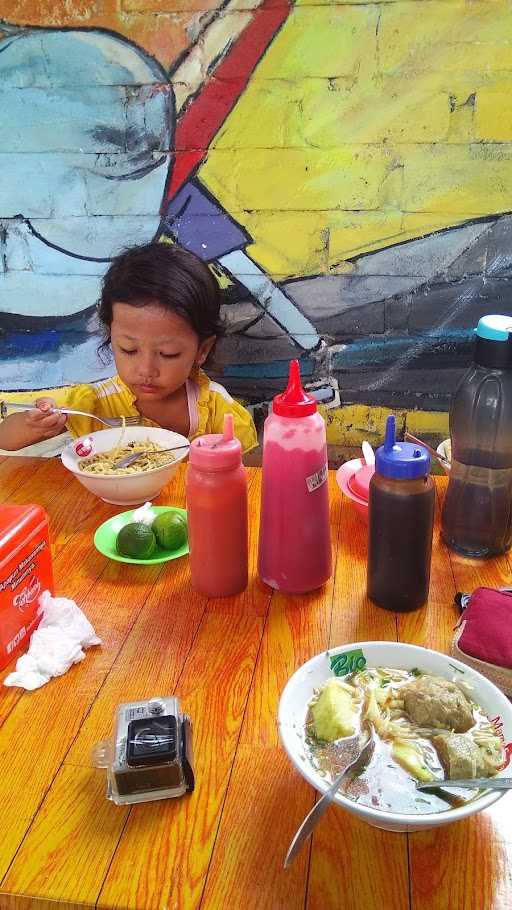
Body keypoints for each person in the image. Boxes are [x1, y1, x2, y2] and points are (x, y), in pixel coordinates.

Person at [0, 243, 258, 454]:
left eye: (168, 354)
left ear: (202, 350)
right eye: (128, 350)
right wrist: (35, 424)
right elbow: (6, 439)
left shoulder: (218, 411)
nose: (146, 370)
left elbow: (247, 478)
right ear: (111, 337)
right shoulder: (96, 404)